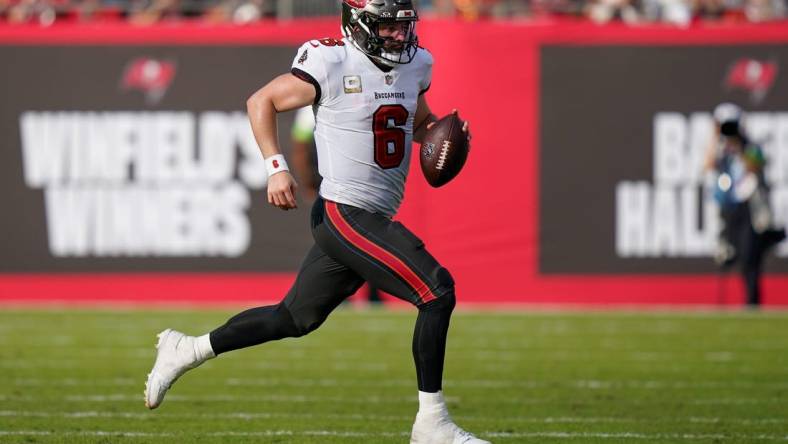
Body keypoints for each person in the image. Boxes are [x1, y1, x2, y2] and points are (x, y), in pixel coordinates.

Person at [144, 1, 487, 442]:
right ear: (359, 24)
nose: (398, 38)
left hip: (373, 214)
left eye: (403, 28)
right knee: (436, 291)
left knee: (292, 318)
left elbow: (415, 123)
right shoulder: (330, 59)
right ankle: (432, 425)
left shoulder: (417, 65)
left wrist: (446, 135)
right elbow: (261, 101)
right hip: (344, 212)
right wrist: (275, 167)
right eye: (387, 28)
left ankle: (187, 348)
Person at [705, 103, 785, 307]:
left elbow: (755, 165)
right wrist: (717, 137)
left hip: (750, 208)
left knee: (750, 257)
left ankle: (752, 303)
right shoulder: (721, 149)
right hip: (730, 210)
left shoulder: (750, 147)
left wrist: (739, 144)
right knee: (733, 255)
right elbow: (707, 164)